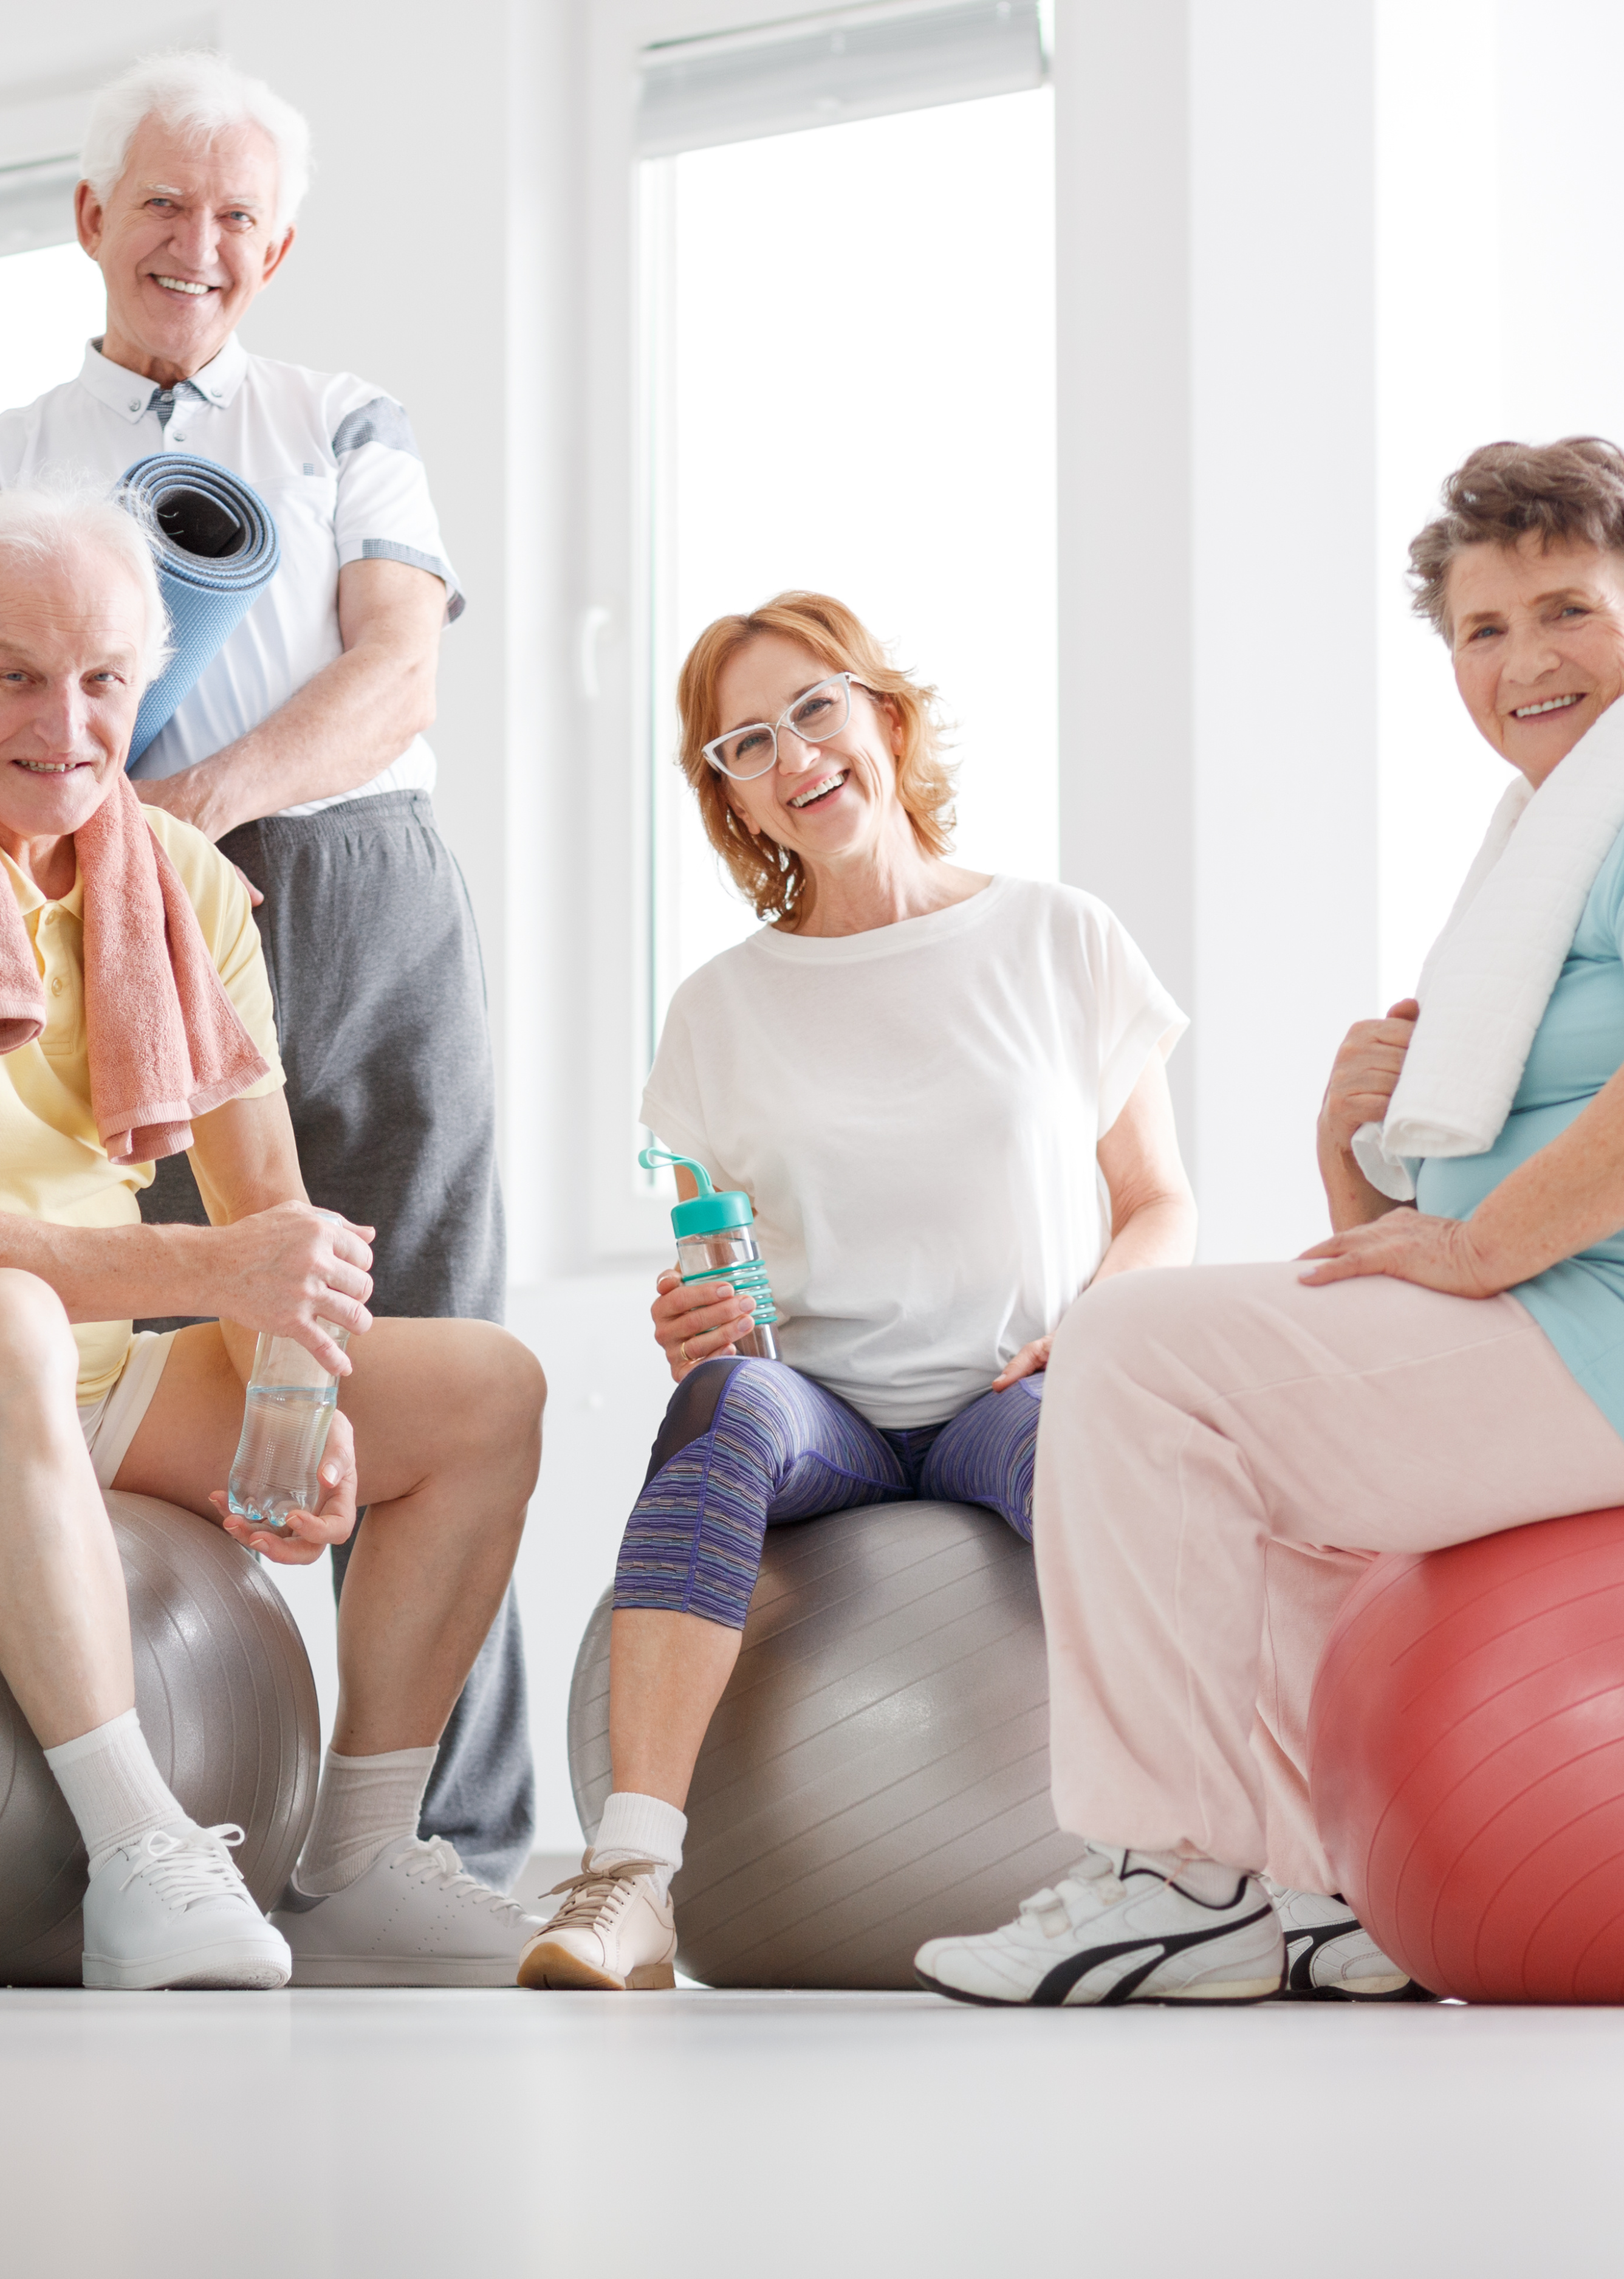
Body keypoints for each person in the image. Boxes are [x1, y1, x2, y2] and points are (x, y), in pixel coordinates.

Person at [914, 436, 1624, 2006]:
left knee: (1131, 1346)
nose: (1526, 658)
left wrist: (1477, 1247)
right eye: (1482, 628)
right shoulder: (1570, 841)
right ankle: (1330, 1883)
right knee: (1256, 1452)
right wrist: (1360, 1169)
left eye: (1569, 609)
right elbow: (1455, 1213)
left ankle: (1180, 1873)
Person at [0, 483, 546, 1990]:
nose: (64, 724)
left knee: (484, 1390)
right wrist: (212, 1277)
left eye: (101, 681)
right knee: (2, 1317)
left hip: (77, 1377)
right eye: (12, 674)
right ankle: (140, 1849)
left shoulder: (186, 883)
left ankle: (355, 1854)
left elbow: (270, 1209)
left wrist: (293, 1396)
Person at [0, 47, 536, 1891]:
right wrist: (135, 866)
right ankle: (182, 1820)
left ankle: (443, 1839)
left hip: (359, 885)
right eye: (163, 205)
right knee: (150, 1347)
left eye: (238, 215)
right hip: (98, 925)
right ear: (91, 219)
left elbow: (397, 669)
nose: (199, 243)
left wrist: (188, 811)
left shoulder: (345, 418)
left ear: (280, 245)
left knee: (420, 1340)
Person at [517, 593, 1195, 1992]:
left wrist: (1098, 1327)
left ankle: (1186, 1863)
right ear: (737, 804)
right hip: (817, 1408)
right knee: (722, 1408)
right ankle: (630, 1878)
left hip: (1005, 1391)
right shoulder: (718, 1007)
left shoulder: (1057, 939)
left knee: (1098, 1461)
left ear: (885, 716)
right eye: (743, 746)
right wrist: (693, 1317)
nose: (793, 757)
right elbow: (720, 1257)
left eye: (815, 709)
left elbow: (1158, 1203)